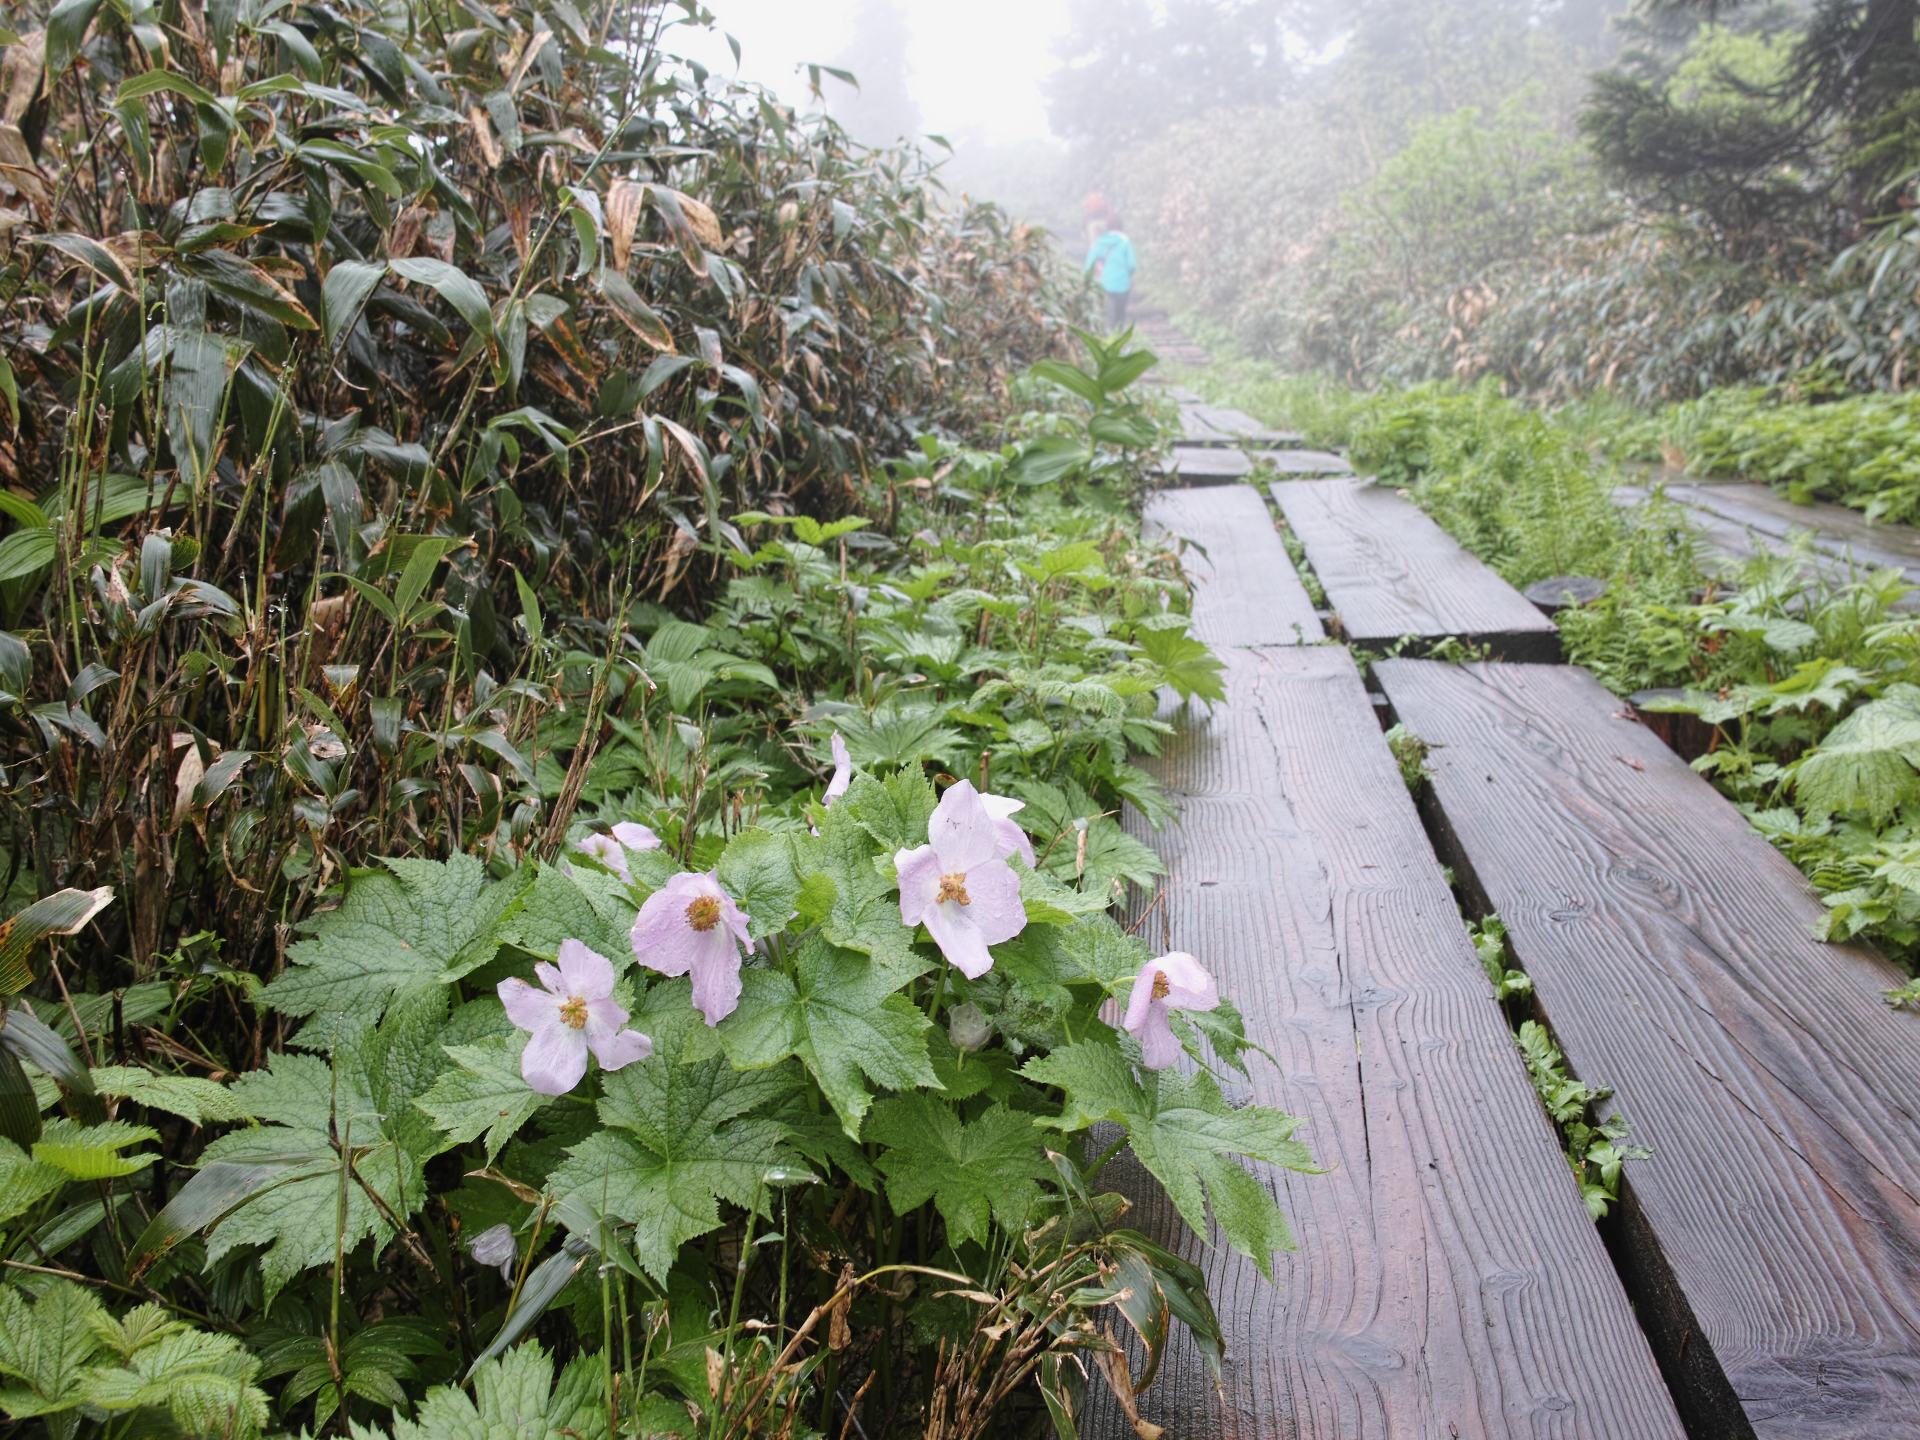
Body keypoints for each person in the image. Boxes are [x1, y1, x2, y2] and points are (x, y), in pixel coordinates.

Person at [1084, 215, 1136, 331]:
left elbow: (1089, 265)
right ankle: (1119, 336)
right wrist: (1128, 275)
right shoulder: (1125, 241)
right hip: (1123, 285)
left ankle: (1108, 336)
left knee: (1107, 313)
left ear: (1107, 227)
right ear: (1121, 227)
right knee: (1120, 314)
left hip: (1104, 284)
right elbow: (1132, 265)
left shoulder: (1099, 242)